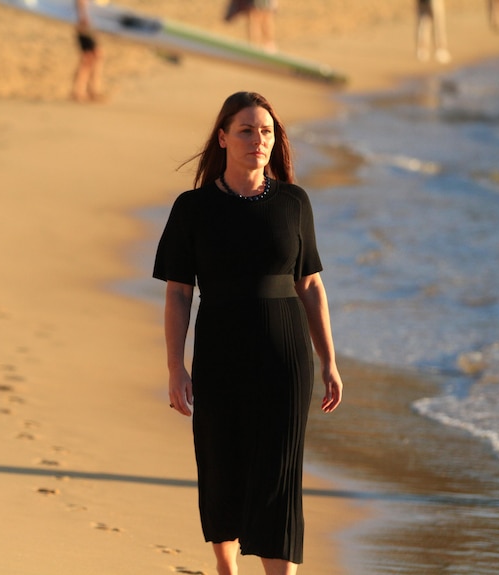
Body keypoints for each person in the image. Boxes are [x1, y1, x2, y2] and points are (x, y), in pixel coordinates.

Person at [153, 91, 344, 575]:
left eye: (266, 131)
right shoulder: (193, 207)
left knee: (279, 475)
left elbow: (310, 285)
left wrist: (330, 362)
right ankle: (226, 569)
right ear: (222, 137)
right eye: (245, 129)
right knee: (222, 464)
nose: (258, 139)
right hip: (219, 353)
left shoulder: (294, 202)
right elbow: (178, 292)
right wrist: (176, 367)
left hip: (285, 358)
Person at [72, 0, 103, 102]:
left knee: (93, 56)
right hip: (84, 25)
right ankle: (80, 91)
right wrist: (83, 16)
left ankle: (91, 90)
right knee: (89, 57)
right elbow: (80, 2)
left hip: (87, 24)